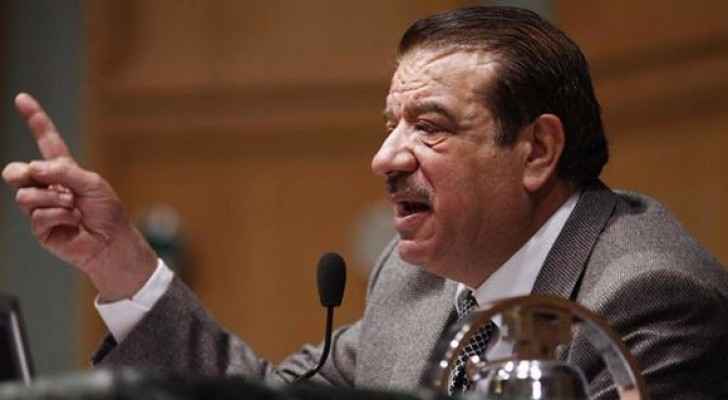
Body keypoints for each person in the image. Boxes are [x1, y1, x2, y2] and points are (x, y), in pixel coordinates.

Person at [3, 6, 728, 399]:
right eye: (391, 125)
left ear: (537, 150)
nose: (386, 158)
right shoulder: (415, 282)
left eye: (430, 127)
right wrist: (120, 261)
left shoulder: (647, 299)